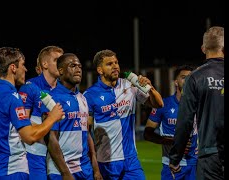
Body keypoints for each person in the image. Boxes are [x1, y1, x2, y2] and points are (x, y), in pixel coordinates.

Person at [0, 47, 64, 179]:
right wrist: (52, 118)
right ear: (13, 68)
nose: (26, 69)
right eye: (22, 65)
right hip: (13, 171)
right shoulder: (12, 96)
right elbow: (29, 137)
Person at [83, 49, 164, 180]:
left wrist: (150, 88)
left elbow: (158, 104)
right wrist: (94, 166)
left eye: (116, 62)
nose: (115, 66)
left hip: (131, 160)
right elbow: (85, 132)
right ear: (100, 70)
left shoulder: (129, 85)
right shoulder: (89, 95)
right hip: (106, 162)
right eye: (109, 64)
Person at [169, 26, 224, 179]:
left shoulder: (195, 77)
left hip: (210, 156)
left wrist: (175, 157)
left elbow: (185, 121)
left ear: (203, 48)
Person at [46, 53, 102, 180]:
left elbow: (86, 133)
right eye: (73, 66)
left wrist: (96, 168)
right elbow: (50, 138)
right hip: (60, 171)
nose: (78, 69)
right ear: (60, 71)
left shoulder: (82, 98)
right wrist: (65, 173)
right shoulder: (53, 99)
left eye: (80, 66)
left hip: (84, 168)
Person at [143, 64, 197, 180]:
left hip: (195, 163)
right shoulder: (163, 104)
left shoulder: (201, 105)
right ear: (176, 82)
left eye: (190, 77)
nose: (187, 80)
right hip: (171, 164)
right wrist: (171, 142)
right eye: (183, 77)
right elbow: (147, 133)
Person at [18, 45, 64, 179]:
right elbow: (21, 125)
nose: (61, 65)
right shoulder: (30, 87)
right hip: (35, 154)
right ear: (45, 64)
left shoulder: (64, 89)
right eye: (56, 60)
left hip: (59, 155)